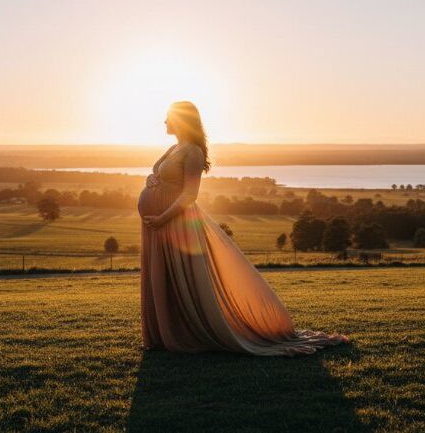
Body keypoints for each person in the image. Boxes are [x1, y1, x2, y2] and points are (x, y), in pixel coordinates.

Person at [138, 100, 350, 356]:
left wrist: (162, 218)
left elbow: (189, 195)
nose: (164, 122)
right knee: (164, 278)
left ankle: (185, 333)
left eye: (168, 117)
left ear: (181, 120)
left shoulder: (192, 151)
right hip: (159, 224)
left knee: (182, 280)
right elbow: (161, 177)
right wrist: (153, 179)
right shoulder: (174, 148)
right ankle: (166, 333)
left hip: (175, 224)